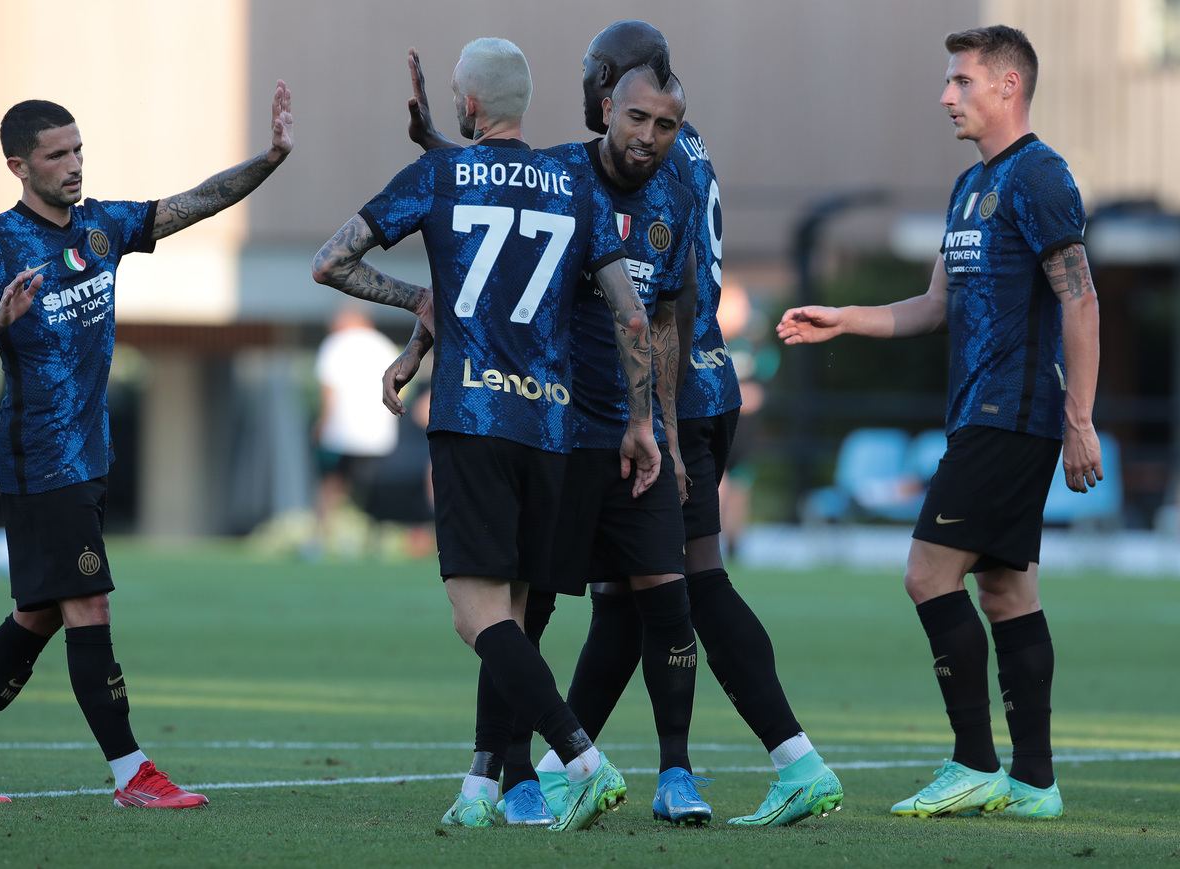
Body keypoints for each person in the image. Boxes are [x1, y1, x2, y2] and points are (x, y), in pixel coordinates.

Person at [397, 21, 844, 828]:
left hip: (654, 411)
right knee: (590, 603)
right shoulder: (615, 164)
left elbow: (662, 311)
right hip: (604, 412)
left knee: (671, 590)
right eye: (636, 118)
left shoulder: (659, 174)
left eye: (660, 122)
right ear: (612, 105)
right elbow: (499, 219)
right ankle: (525, 772)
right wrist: (443, 145)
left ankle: (692, 766)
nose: (647, 133)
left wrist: (659, 426)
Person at [0, 84, 295, 808]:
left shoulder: (100, 226)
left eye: (79, 149)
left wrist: (270, 159)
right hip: (40, 455)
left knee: (39, 614)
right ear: (19, 166)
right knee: (89, 605)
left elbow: (194, 203)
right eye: (57, 155)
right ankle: (131, 774)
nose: (75, 164)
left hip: (88, 455)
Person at [311, 38, 660, 832]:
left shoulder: (438, 174)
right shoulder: (574, 185)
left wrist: (418, 301)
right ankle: (482, 785)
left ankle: (582, 759)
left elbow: (331, 263)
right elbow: (633, 316)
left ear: (468, 105)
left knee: (479, 618)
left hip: (472, 419)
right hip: (553, 427)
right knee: (514, 616)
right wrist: (640, 420)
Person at [777, 25, 1100, 820]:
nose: (946, 95)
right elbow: (933, 306)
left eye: (961, 80)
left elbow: (1081, 299)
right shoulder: (968, 187)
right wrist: (844, 318)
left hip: (1012, 414)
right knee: (1006, 589)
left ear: (1008, 87)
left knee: (927, 574)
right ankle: (1034, 781)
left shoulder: (1040, 175)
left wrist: (1080, 418)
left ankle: (973, 761)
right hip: (978, 414)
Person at [310, 306, 400, 556]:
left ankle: (319, 541)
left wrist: (320, 425)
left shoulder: (336, 344)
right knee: (372, 491)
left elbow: (329, 390)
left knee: (330, 486)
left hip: (339, 433)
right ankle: (375, 543)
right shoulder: (384, 345)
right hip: (378, 435)